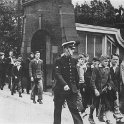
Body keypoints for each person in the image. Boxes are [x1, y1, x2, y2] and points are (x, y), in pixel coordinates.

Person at [53, 41, 83, 124]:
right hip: (60, 89)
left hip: (71, 90)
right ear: (66, 49)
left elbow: (75, 75)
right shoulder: (58, 60)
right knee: (58, 109)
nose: (73, 51)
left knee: (74, 109)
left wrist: (77, 88)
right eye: (71, 49)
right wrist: (64, 84)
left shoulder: (73, 60)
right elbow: (57, 74)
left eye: (73, 49)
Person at [90, 56, 116, 124]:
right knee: (95, 103)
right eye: (105, 61)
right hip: (97, 89)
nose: (106, 63)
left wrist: (110, 85)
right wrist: (95, 90)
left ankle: (102, 117)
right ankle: (90, 117)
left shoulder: (108, 69)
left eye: (107, 61)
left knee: (104, 103)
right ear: (101, 61)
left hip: (104, 89)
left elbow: (109, 80)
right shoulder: (96, 68)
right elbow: (92, 81)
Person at [110, 54, 124, 123]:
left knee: (117, 103)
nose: (115, 61)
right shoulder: (108, 68)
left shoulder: (119, 69)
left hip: (117, 88)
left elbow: (121, 79)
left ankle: (117, 118)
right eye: (114, 59)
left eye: (117, 59)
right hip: (109, 88)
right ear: (111, 59)